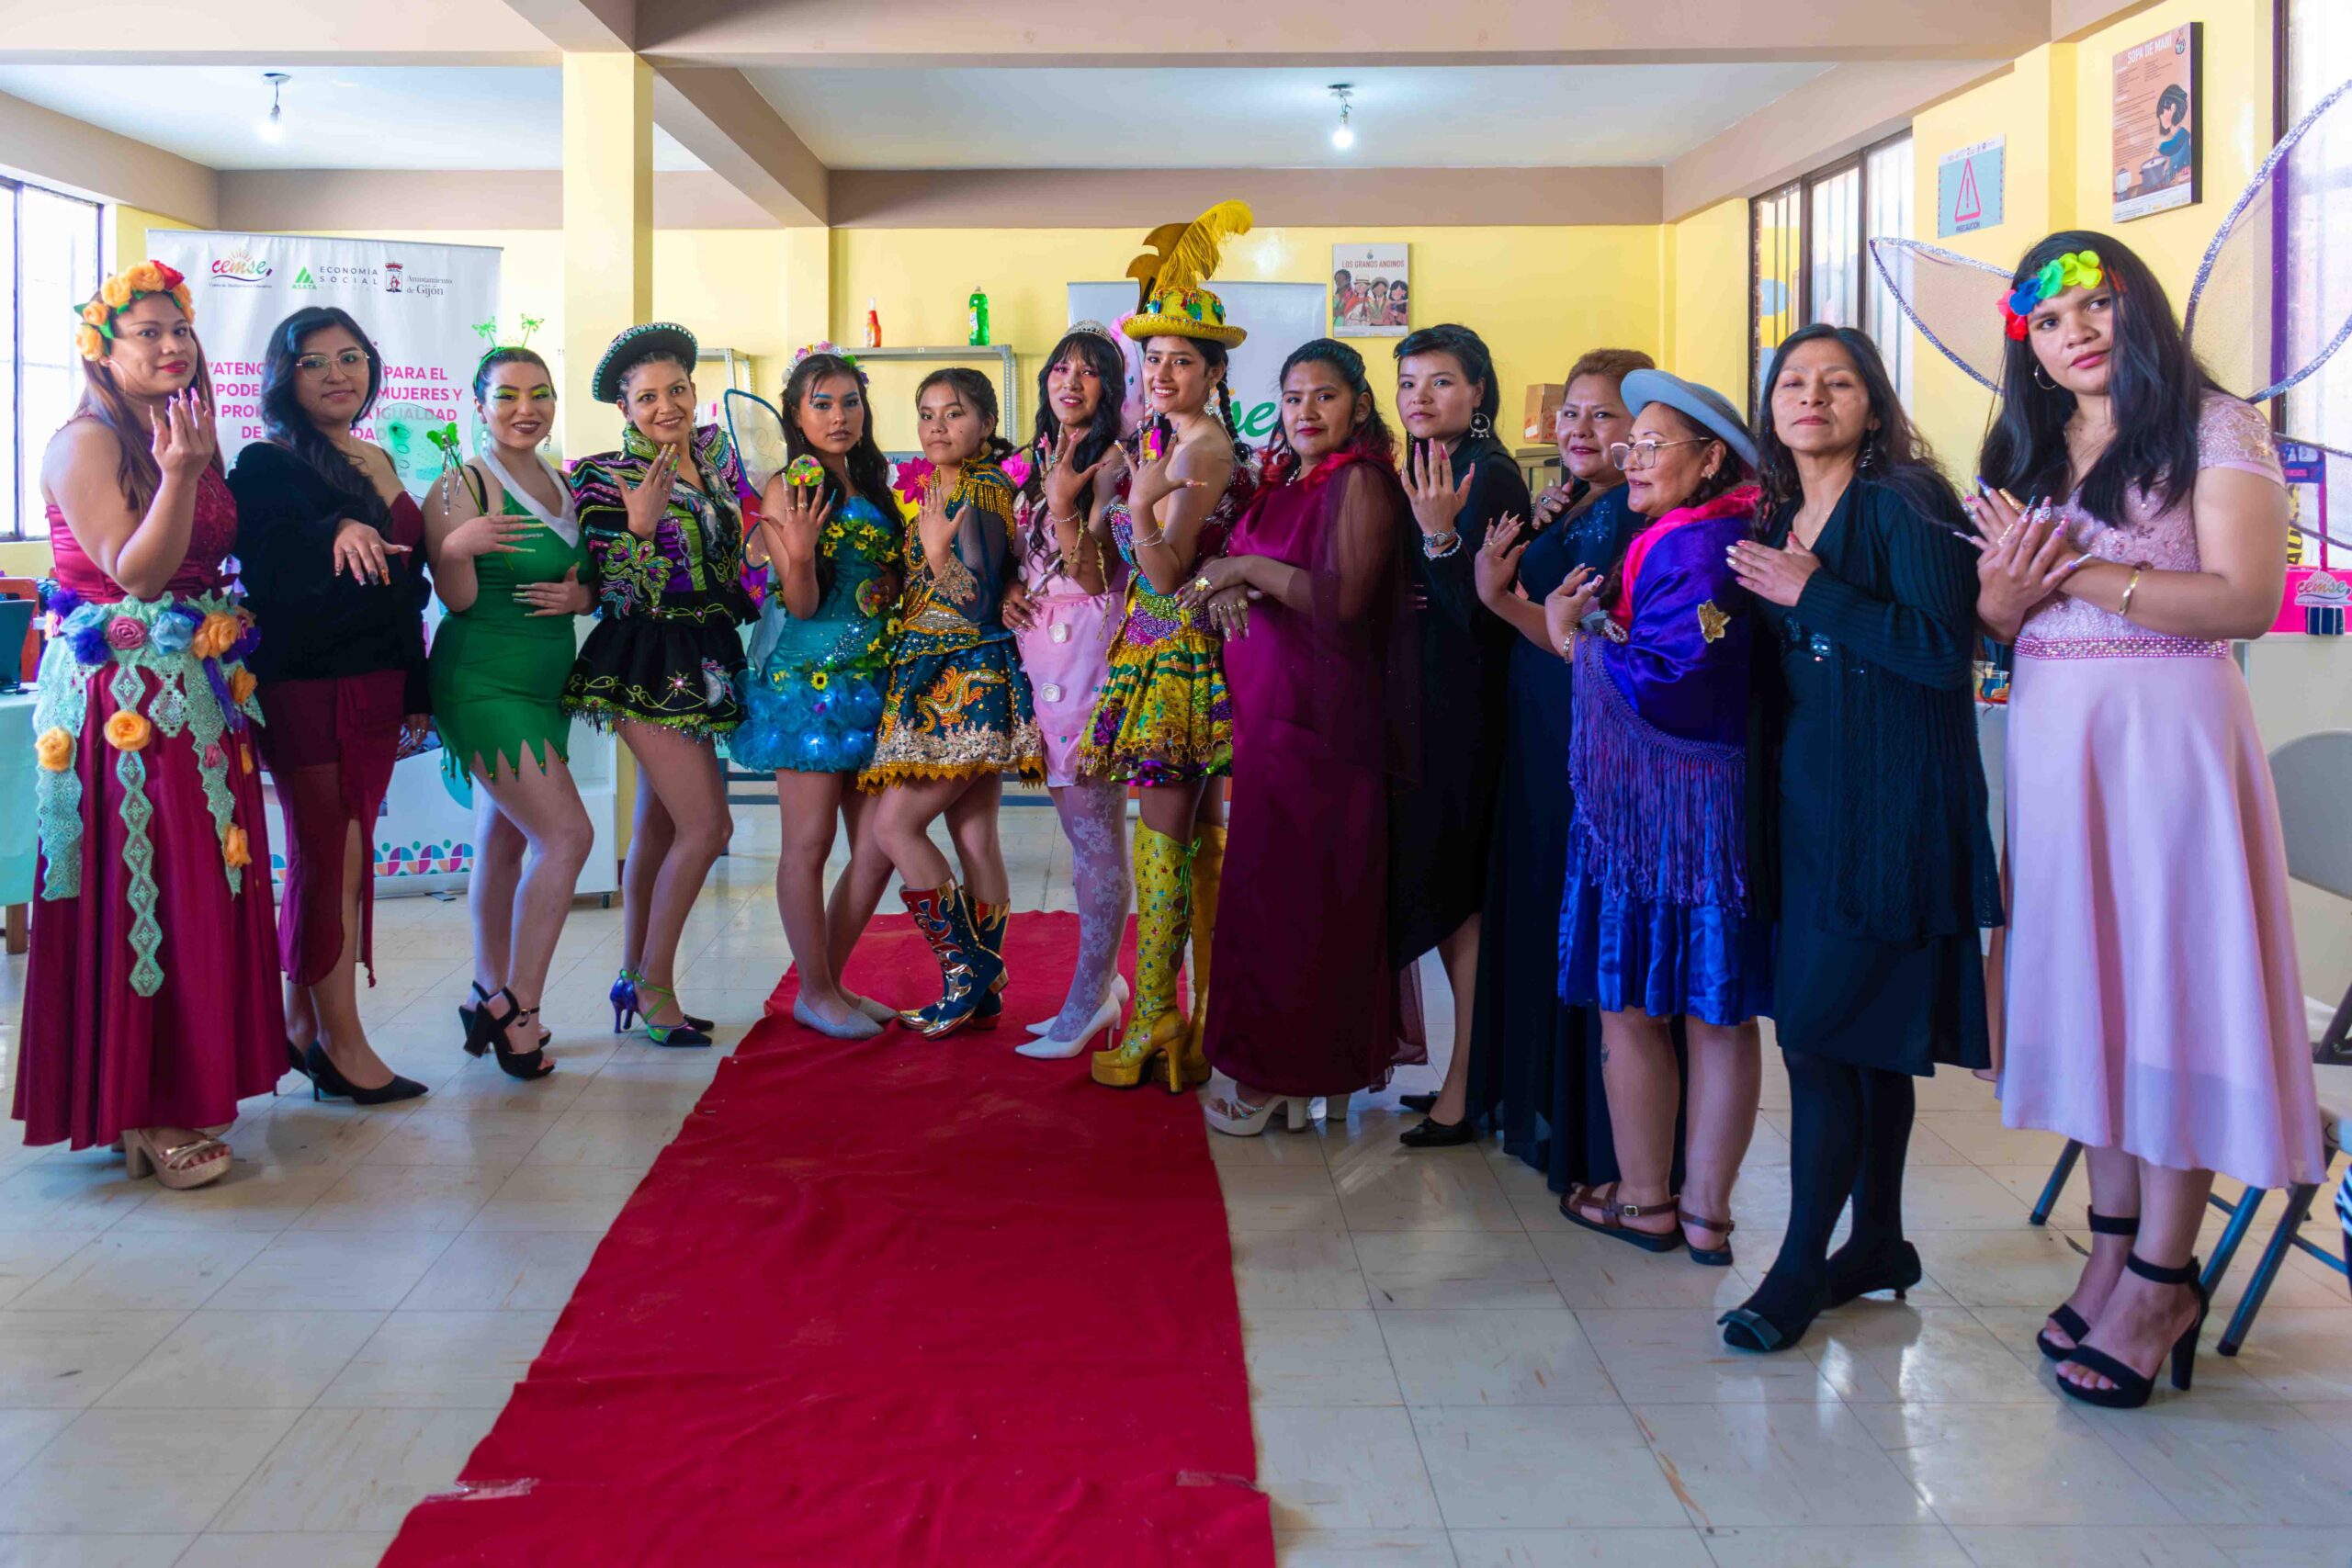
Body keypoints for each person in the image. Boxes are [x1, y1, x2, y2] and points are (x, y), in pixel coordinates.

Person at [1971, 234, 2322, 1407]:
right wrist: (2005, 595)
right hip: (2054, 739)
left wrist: (2066, 572)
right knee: (2091, 993)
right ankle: (2112, 1250)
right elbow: (1999, 614)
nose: (2072, 332)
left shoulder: (2215, 426)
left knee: (2168, 991)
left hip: (2168, 740)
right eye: (2046, 320)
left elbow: (2245, 599)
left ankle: (2167, 1277)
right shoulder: (2028, 448)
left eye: (2093, 305)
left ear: (2139, 309)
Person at [1717, 324, 1999, 1352]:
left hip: (1887, 813)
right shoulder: (1779, 507)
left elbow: (1943, 652)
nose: (1812, 397)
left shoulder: (1904, 500)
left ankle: (1798, 1269)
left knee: (1818, 1038)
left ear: (1873, 405)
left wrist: (1813, 591)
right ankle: (1877, 1240)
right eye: (1793, 382)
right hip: (1807, 807)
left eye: (1837, 382)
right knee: (1865, 1040)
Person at [17, 262, 281, 1186]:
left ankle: (186, 1080)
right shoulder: (85, 442)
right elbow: (136, 572)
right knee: (149, 889)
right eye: (148, 333)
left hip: (199, 693)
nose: (172, 347)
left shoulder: (180, 427)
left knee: (204, 886)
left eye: (180, 330)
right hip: (120, 706)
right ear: (103, 350)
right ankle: (143, 1103)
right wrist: (179, 474)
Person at [1544, 368, 1770, 1267]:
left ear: (1711, 459)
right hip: (1713, 810)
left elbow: (1671, 685)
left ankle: (1647, 1200)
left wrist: (1573, 638)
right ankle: (1708, 1214)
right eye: (1628, 444)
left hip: (1657, 815)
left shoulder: (1694, 547)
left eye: (1651, 444)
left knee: (1631, 1003)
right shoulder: (1724, 532)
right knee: (1718, 1009)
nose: (1630, 459)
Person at [1183, 339, 1415, 1133]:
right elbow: (1248, 573)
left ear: (1358, 403)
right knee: (1270, 893)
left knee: (1301, 901)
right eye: (1292, 397)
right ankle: (1300, 1070)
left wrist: (1241, 572)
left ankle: (1283, 1074)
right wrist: (1228, 585)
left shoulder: (1361, 481)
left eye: (1324, 395)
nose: (1305, 411)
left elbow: (1343, 599)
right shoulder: (1288, 481)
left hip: (1322, 727)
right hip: (1270, 719)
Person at [1450, 348, 1653, 1190]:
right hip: (1537, 725)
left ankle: (1596, 1138)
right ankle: (1541, 1110)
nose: (1579, 428)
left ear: (1641, 430)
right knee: (1538, 902)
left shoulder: (1629, 514)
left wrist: (1501, 600)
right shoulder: (1573, 499)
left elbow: (1585, 641)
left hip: (1585, 729)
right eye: (1571, 412)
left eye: (1603, 415)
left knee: (1575, 915)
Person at [1072, 207, 1256, 1094]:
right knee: (1187, 843)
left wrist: (1139, 504)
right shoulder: (1170, 441)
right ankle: (1192, 1016)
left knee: (1164, 841)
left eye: (1183, 360)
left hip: (1178, 661)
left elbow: (1167, 569)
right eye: (1153, 360)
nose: (1163, 373)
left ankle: (1158, 1017)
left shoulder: (1202, 446)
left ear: (1215, 372)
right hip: (1164, 653)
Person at [230, 306, 432, 1107]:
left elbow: (406, 582)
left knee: (334, 859)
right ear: (285, 377)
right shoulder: (266, 462)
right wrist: (340, 524)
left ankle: (301, 1025)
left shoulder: (374, 454)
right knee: (332, 861)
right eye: (314, 362)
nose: (337, 374)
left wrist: (415, 686)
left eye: (350, 357)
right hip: (310, 687)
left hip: (376, 684)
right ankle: (343, 1046)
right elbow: (274, 566)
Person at [566, 323, 755, 1048]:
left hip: (706, 652)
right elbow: (614, 595)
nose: (666, 406)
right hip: (644, 657)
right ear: (624, 408)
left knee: (660, 826)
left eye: (677, 389)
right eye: (647, 397)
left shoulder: (717, 459)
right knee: (710, 827)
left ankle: (631, 974)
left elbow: (735, 558)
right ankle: (654, 984)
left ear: (694, 390)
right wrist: (641, 531)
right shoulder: (602, 476)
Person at [858, 368, 1044, 1038]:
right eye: (927, 413)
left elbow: (977, 601)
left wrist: (937, 555)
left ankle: (966, 971)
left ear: (987, 424)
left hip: (959, 681)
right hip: (946, 673)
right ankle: (984, 990)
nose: (937, 426)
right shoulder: (946, 485)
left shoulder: (981, 488)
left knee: (894, 827)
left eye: (955, 413)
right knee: (973, 835)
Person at [422, 343, 586, 1082]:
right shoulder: (461, 483)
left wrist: (582, 596)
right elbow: (455, 598)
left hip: (546, 686)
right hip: (483, 682)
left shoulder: (562, 479)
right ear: (479, 405)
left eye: (540, 393)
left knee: (504, 838)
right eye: (508, 395)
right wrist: (457, 547)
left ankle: (485, 989)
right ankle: (518, 1005)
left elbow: (587, 576)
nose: (527, 408)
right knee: (568, 835)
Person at [730, 345, 904, 1041]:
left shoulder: (870, 481)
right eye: (823, 404)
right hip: (810, 686)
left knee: (879, 845)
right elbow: (799, 605)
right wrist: (798, 554)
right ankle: (816, 990)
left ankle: (824, 983)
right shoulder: (789, 487)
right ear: (795, 416)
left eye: (850, 402)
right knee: (809, 842)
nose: (839, 416)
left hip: (874, 679)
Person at [1388, 323, 1527, 1147]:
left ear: (1477, 390)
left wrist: (1440, 539)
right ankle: (1463, 1073)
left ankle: (1468, 1086)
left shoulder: (1489, 473)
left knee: (1461, 904)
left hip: (1469, 709)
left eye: (1440, 381)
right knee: (1446, 903)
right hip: (1429, 704)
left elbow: (1480, 615)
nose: (1420, 396)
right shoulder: (1429, 462)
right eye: (1408, 382)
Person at [1004, 323, 1134, 1057]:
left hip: (1090, 654)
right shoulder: (1038, 457)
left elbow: (1095, 573)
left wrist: (1061, 505)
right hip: (1044, 657)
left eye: (1088, 370)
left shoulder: (1113, 459)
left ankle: (1088, 1000)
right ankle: (1103, 983)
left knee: (1095, 840)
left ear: (1109, 387)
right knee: (1079, 831)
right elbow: (1033, 561)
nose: (1070, 381)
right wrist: (1008, 592)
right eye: (1060, 368)